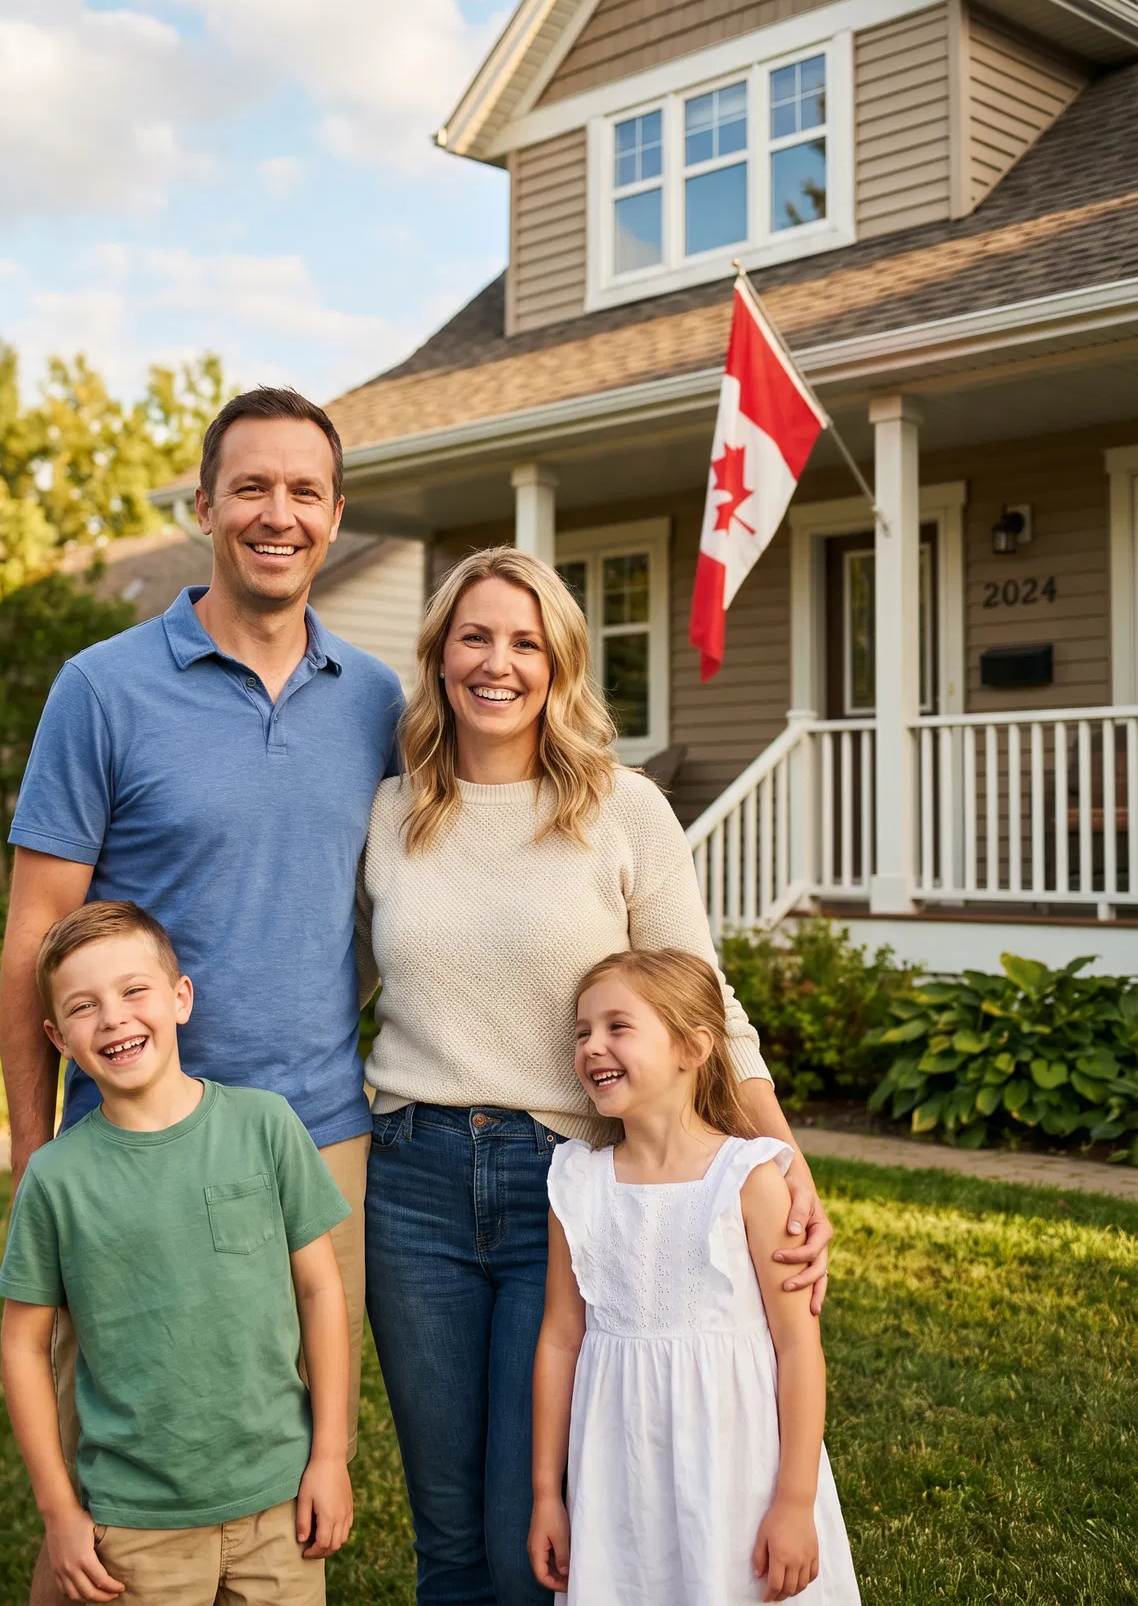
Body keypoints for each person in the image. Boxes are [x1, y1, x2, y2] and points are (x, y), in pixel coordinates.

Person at [357, 546, 834, 1606]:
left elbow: (706, 1002)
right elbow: (329, 992)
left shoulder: (623, 810)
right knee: (445, 1530)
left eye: (526, 642)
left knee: (536, 1533)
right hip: (411, 1184)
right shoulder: (393, 813)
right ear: (438, 658)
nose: (498, 663)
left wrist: (787, 1164)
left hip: (567, 1188)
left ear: (559, 665)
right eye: (475, 637)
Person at [0, 387, 404, 1602]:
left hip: (324, 1135)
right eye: (252, 488)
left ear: (334, 516)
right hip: (127, 1146)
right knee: (123, 1484)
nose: (277, 514)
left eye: (304, 492)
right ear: (204, 505)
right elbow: (34, 939)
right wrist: (32, 1148)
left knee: (284, 1451)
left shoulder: (379, 700)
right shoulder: (102, 689)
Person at [0, 899, 353, 1606]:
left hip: (278, 1504)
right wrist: (61, 1512)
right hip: (137, 1523)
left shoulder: (266, 1127)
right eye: (84, 1007)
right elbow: (22, 1347)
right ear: (57, 1038)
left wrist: (330, 1457)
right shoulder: (56, 1179)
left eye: (135, 991)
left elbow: (321, 1291)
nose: (115, 1019)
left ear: (180, 998)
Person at [529, 948, 860, 1604]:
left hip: (739, 1469)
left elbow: (798, 1346)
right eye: (582, 1032)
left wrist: (795, 1501)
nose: (594, 1045)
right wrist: (548, 1494)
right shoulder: (577, 1184)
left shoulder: (751, 1177)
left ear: (693, 1045)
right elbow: (561, 1340)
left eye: (618, 1027)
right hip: (617, 1473)